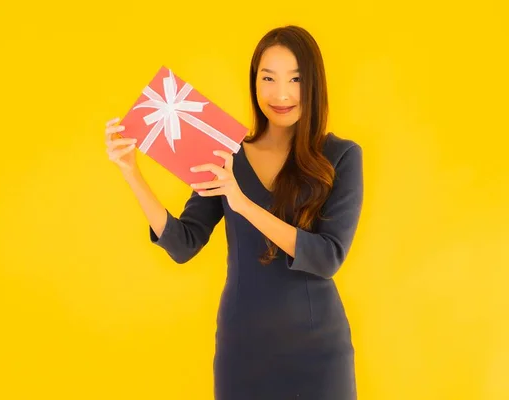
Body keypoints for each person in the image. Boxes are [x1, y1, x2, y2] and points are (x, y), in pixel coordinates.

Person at [105, 25, 363, 400]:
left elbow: (326, 257)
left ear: (314, 84)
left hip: (317, 352)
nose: (281, 93)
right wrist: (132, 172)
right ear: (254, 82)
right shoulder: (226, 153)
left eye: (295, 79)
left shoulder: (340, 156)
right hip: (243, 350)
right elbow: (183, 244)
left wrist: (242, 203)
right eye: (268, 78)